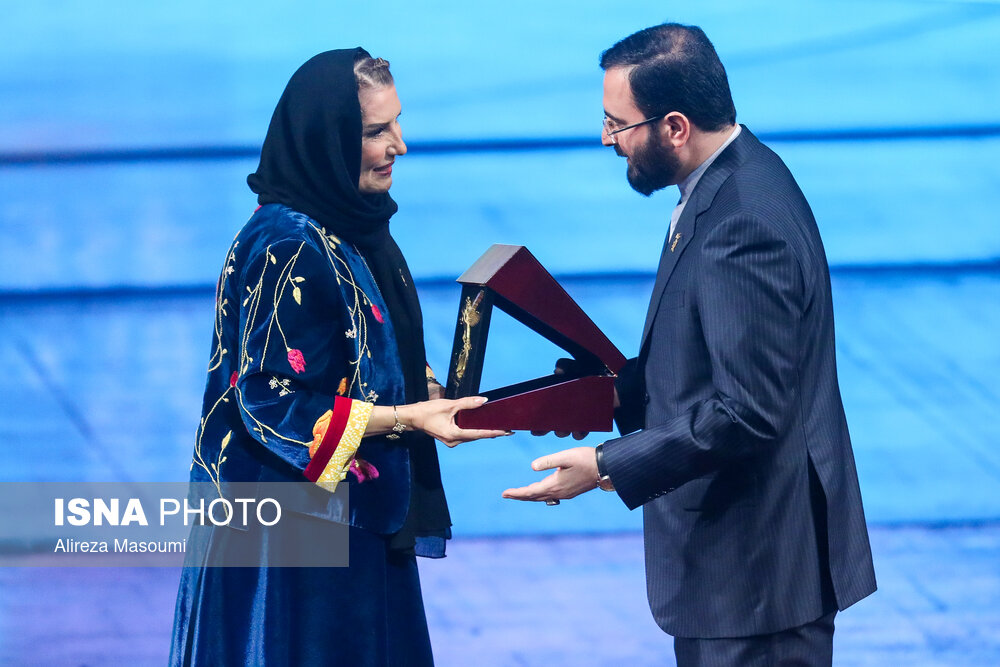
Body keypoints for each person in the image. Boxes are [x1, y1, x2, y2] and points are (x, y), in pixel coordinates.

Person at [503, 24, 876, 665]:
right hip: (745, 578)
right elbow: (707, 356)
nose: (606, 139)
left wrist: (606, 466)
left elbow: (749, 411)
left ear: (675, 127)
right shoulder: (729, 182)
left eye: (619, 124)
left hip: (757, 585)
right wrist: (599, 395)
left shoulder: (744, 224)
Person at [169, 48, 507, 666]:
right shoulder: (288, 242)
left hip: (351, 520)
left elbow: (358, 351)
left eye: (396, 123)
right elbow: (269, 400)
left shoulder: (350, 223)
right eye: (376, 131)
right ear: (329, 139)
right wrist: (407, 419)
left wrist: (423, 393)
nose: (398, 145)